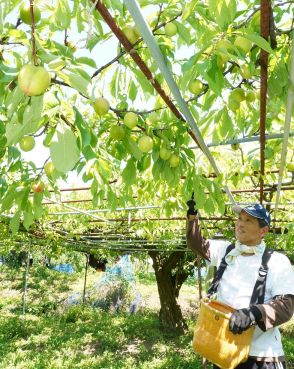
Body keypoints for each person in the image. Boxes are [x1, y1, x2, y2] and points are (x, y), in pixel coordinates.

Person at [186, 199, 294, 369]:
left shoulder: (277, 261)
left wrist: (253, 313)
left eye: (249, 220)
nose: (240, 224)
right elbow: (197, 244)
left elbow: (286, 306)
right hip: (224, 351)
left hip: (261, 356)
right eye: (240, 219)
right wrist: (192, 218)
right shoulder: (226, 251)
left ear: (263, 231)